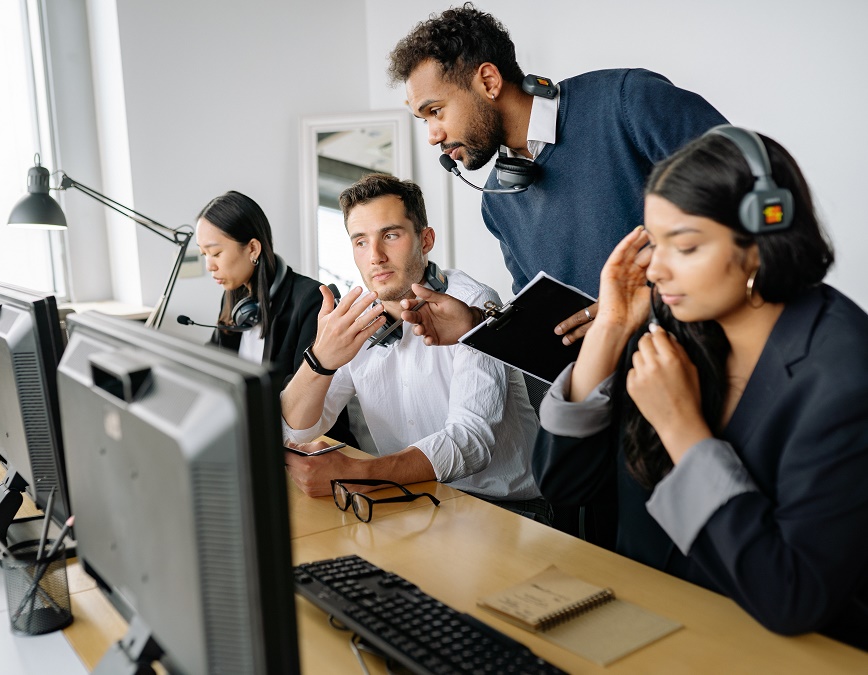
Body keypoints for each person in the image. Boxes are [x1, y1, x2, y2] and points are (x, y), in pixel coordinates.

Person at [532, 126, 868, 649]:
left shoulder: (846, 375)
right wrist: (612, 327)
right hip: (638, 631)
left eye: (684, 246)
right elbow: (563, 485)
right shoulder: (673, 322)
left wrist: (681, 428)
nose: (657, 269)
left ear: (763, 236)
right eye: (654, 242)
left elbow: (794, 597)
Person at [386, 3, 727, 347]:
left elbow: (743, 198)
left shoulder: (626, 102)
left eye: (436, 111)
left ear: (488, 81)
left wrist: (641, 305)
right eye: (425, 119)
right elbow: (547, 324)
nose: (433, 135)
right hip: (616, 394)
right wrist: (476, 324)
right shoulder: (498, 202)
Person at [281, 174, 545, 520]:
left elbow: (470, 442)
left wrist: (359, 473)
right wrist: (319, 361)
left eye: (390, 235)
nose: (375, 256)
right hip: (414, 499)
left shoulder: (473, 304)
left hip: (504, 508)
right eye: (360, 242)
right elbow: (297, 430)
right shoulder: (355, 319)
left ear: (426, 239)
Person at [195, 191, 324, 388]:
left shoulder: (309, 300)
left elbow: (306, 393)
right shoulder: (233, 297)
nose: (209, 266)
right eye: (204, 254)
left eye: (216, 253)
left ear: (253, 249)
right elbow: (214, 359)